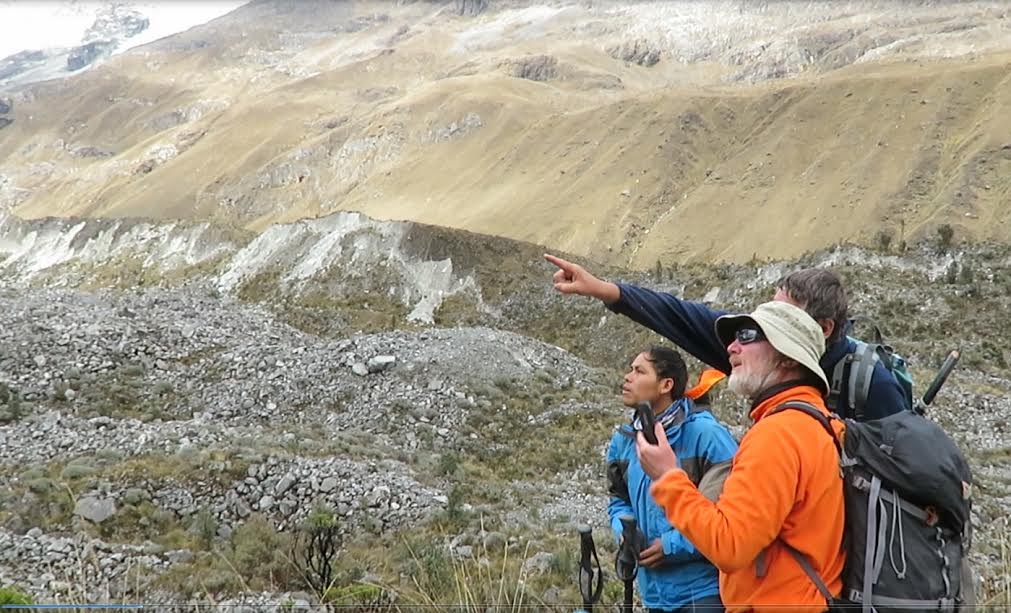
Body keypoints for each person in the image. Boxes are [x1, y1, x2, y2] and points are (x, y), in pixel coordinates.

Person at [635, 301, 845, 613]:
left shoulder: (778, 435)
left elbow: (730, 546)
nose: (731, 347)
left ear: (788, 358)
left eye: (747, 336)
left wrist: (668, 479)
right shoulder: (824, 423)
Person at [544, 254, 905, 420]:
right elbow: (679, 316)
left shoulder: (870, 384)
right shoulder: (756, 351)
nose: (739, 344)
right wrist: (607, 290)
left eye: (782, 317)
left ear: (823, 329)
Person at [607, 346, 738, 613]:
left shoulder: (706, 435)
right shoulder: (624, 440)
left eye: (639, 371)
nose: (628, 377)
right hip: (653, 594)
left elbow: (729, 517)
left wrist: (670, 546)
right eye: (630, 369)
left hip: (704, 592)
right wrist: (626, 535)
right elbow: (618, 501)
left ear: (666, 384)